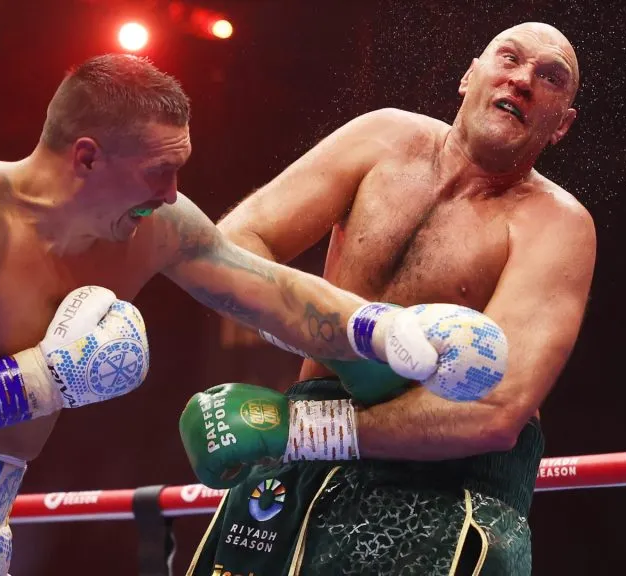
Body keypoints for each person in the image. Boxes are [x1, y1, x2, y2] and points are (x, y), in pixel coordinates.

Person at [0, 54, 496, 576]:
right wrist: (45, 378)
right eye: (159, 171)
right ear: (87, 157)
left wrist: (391, 331)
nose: (172, 192)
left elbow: (267, 292)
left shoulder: (156, 226)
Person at [181, 22, 595, 575]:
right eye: (510, 59)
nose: (523, 81)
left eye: (550, 78)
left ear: (560, 125)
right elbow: (232, 248)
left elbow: (495, 412)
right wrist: (331, 334)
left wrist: (303, 430)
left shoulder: (556, 224)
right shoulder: (382, 139)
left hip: (445, 488)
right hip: (298, 458)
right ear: (469, 75)